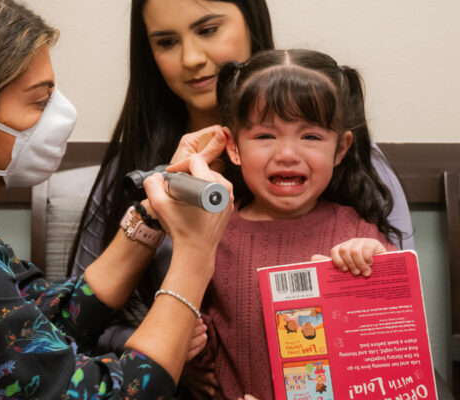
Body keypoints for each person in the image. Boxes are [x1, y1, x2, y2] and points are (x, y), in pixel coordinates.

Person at [0, 0, 234, 398]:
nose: (59, 115)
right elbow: (106, 394)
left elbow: (47, 323)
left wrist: (152, 213)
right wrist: (195, 253)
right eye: (40, 102)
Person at [68, 0, 413, 366]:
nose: (191, 59)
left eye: (208, 30)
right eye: (166, 42)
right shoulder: (132, 174)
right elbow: (76, 321)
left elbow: (394, 309)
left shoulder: (358, 169)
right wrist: (171, 348)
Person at [195, 48, 401, 399]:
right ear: (233, 147)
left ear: (340, 149)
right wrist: (192, 347)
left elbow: (394, 335)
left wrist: (377, 265)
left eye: (311, 137)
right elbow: (209, 347)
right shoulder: (213, 233)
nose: (287, 154)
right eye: (265, 136)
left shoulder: (357, 232)